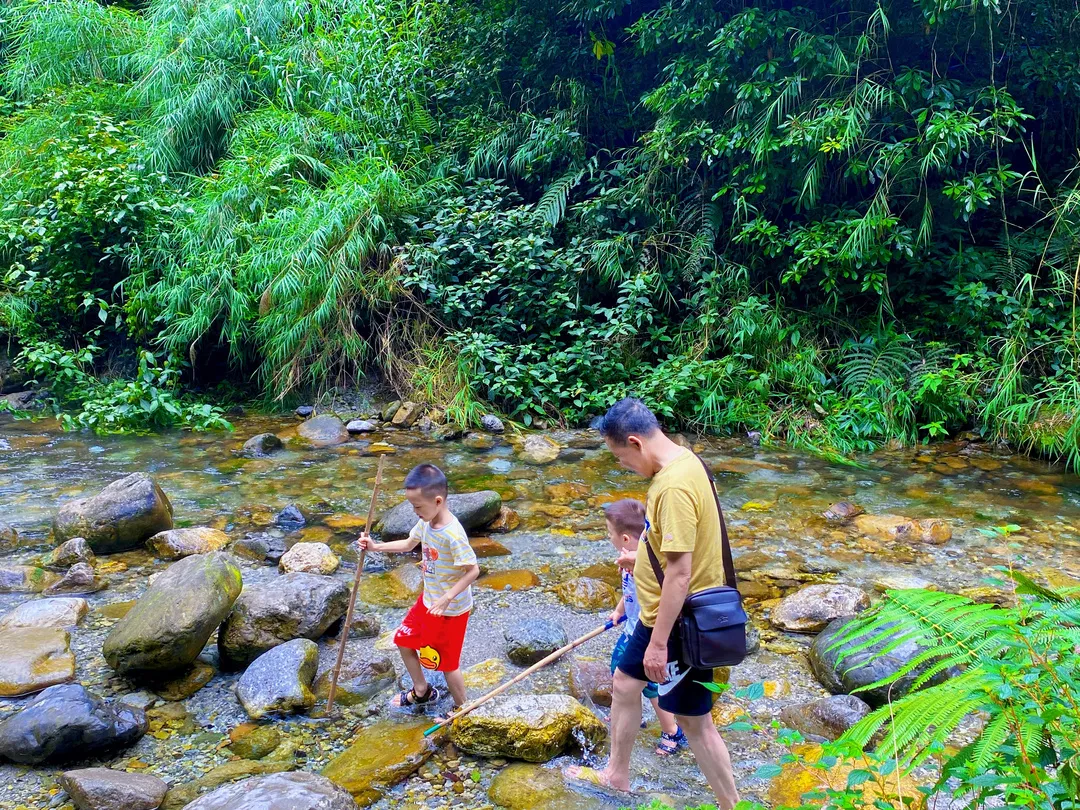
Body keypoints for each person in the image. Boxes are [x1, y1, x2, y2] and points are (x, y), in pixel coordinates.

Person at [566, 398, 740, 809]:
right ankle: (616, 776)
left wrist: (659, 644)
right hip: (660, 613)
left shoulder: (671, 487)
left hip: (678, 620)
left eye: (620, 457)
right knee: (625, 685)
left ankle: (732, 805)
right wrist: (640, 556)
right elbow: (674, 542)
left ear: (634, 442)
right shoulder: (685, 461)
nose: (622, 465)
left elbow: (680, 572)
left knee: (695, 723)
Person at [357, 463, 479, 711]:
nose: (414, 511)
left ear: (437, 501)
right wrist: (375, 547)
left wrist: (447, 597)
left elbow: (473, 570)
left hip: (450, 609)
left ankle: (463, 708)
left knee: (447, 664)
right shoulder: (426, 522)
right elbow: (408, 544)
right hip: (428, 601)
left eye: (417, 507)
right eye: (412, 506)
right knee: (403, 640)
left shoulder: (453, 534)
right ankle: (422, 690)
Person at [604, 498, 688, 757]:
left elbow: (656, 596)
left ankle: (672, 731)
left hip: (645, 632)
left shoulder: (643, 565)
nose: (609, 538)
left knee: (649, 684)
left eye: (610, 534)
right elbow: (629, 591)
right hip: (631, 627)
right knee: (618, 669)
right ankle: (631, 713)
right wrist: (619, 611)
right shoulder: (627, 560)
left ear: (627, 539)